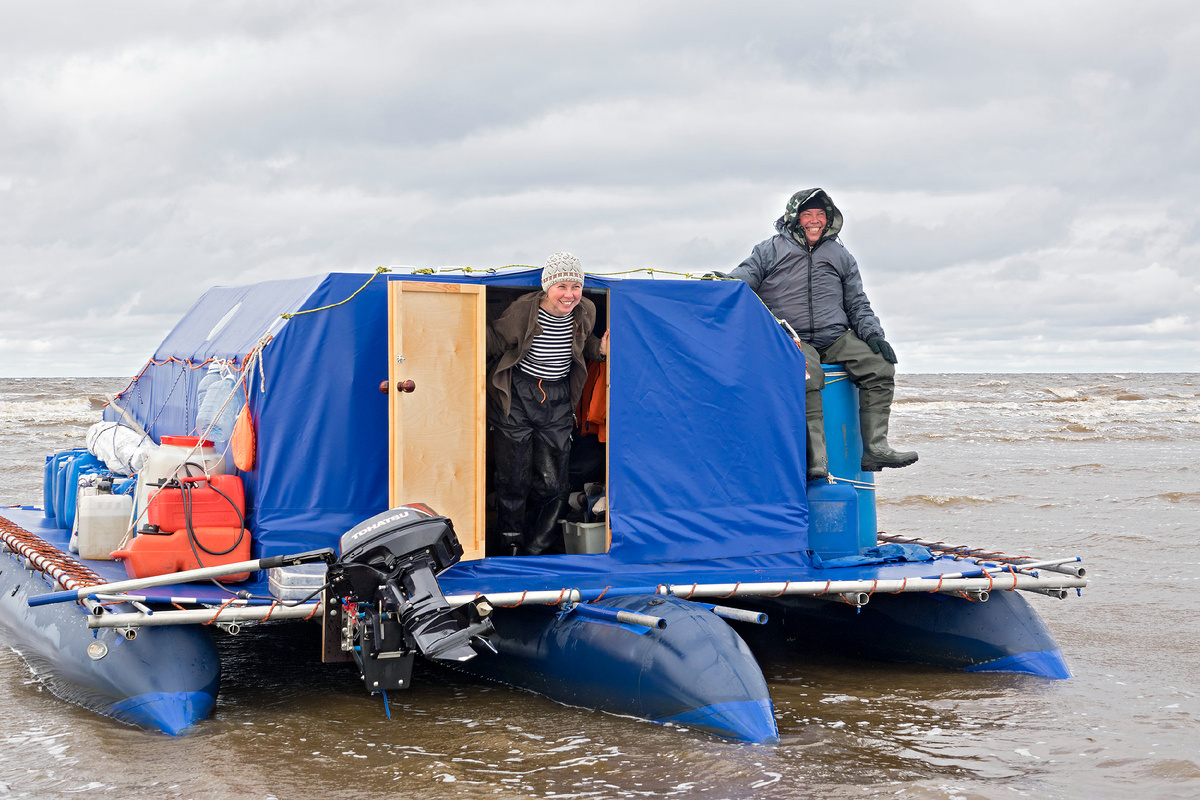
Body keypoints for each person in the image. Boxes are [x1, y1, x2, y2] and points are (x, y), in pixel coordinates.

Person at [725, 188, 917, 481]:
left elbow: (857, 303)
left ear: (828, 220)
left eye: (820, 215)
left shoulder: (840, 255)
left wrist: (874, 335)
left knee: (879, 366)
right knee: (807, 374)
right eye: (807, 215)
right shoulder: (769, 250)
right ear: (794, 218)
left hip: (835, 336)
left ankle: (876, 448)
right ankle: (817, 460)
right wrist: (718, 282)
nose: (814, 221)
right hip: (792, 335)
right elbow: (742, 279)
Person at [487, 253, 609, 556]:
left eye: (575, 286)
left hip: (557, 397)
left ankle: (538, 547)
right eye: (562, 286)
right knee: (513, 477)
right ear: (547, 287)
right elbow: (492, 341)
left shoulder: (586, 310)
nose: (569, 294)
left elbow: (585, 345)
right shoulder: (524, 311)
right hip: (518, 394)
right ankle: (511, 544)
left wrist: (601, 349)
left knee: (553, 481)